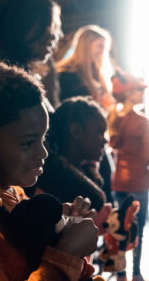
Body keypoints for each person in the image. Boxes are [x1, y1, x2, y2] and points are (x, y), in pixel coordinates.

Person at [0, 62, 100, 281]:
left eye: (43, 138)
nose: (43, 153)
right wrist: (65, 254)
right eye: (28, 143)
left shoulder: (14, 194)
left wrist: (59, 230)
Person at [57, 25, 116, 201]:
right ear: (86, 46)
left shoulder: (97, 74)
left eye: (104, 47)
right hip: (78, 142)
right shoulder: (67, 75)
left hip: (94, 137)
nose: (102, 52)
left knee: (104, 178)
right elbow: (70, 111)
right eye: (99, 46)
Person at [109, 70, 149, 281]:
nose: (141, 94)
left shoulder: (115, 118)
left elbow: (112, 144)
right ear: (129, 94)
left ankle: (120, 272)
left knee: (119, 226)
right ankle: (136, 271)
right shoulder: (140, 120)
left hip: (120, 180)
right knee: (136, 227)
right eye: (138, 90)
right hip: (138, 181)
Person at [34, 97, 110, 212]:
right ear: (76, 131)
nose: (105, 140)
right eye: (100, 131)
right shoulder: (45, 188)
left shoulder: (87, 173)